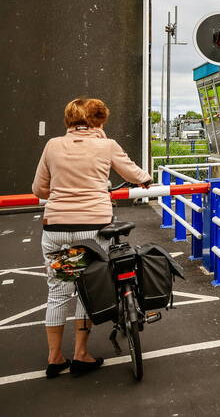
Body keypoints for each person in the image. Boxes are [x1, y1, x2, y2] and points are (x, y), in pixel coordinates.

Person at [31, 97, 151, 378]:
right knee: (89, 287)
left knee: (59, 290)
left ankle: (55, 357)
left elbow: (39, 188)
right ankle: (81, 354)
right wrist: (145, 179)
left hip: (57, 230)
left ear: (69, 120)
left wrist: (65, 193)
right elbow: (131, 172)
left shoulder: (52, 145)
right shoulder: (106, 145)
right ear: (99, 121)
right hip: (93, 229)